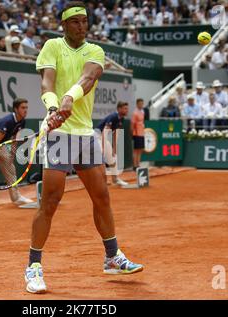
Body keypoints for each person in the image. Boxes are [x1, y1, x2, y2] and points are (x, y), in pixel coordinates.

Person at [24, 1, 143, 294]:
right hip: (59, 134)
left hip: (85, 134)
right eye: (75, 21)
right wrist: (53, 107)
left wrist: (69, 98)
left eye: (84, 21)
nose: (81, 26)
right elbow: (46, 83)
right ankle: (33, 266)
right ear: (63, 25)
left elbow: (88, 78)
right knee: (50, 201)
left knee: (102, 196)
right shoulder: (51, 46)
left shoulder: (95, 50)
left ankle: (112, 256)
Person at [0, 98, 34, 210]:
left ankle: (16, 198)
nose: (26, 110)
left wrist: (12, 155)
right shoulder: (8, 121)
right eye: (23, 108)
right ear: (16, 109)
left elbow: (14, 139)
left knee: (11, 169)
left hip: (0, 144)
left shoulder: (22, 121)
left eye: (26, 107)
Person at [96, 101, 129, 187]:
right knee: (100, 159)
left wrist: (114, 148)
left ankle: (115, 180)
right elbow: (104, 131)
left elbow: (115, 133)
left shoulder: (121, 119)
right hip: (97, 136)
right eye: (125, 108)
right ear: (119, 109)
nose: (127, 110)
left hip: (103, 137)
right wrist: (103, 147)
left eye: (127, 108)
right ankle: (100, 182)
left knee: (113, 157)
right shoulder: (113, 116)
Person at [131, 98, 146, 171]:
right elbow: (132, 124)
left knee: (140, 150)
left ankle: (138, 164)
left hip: (142, 133)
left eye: (142, 104)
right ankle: (135, 165)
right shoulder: (135, 113)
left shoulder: (142, 112)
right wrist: (132, 134)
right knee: (135, 150)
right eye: (140, 104)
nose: (141, 105)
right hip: (136, 134)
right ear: (137, 104)